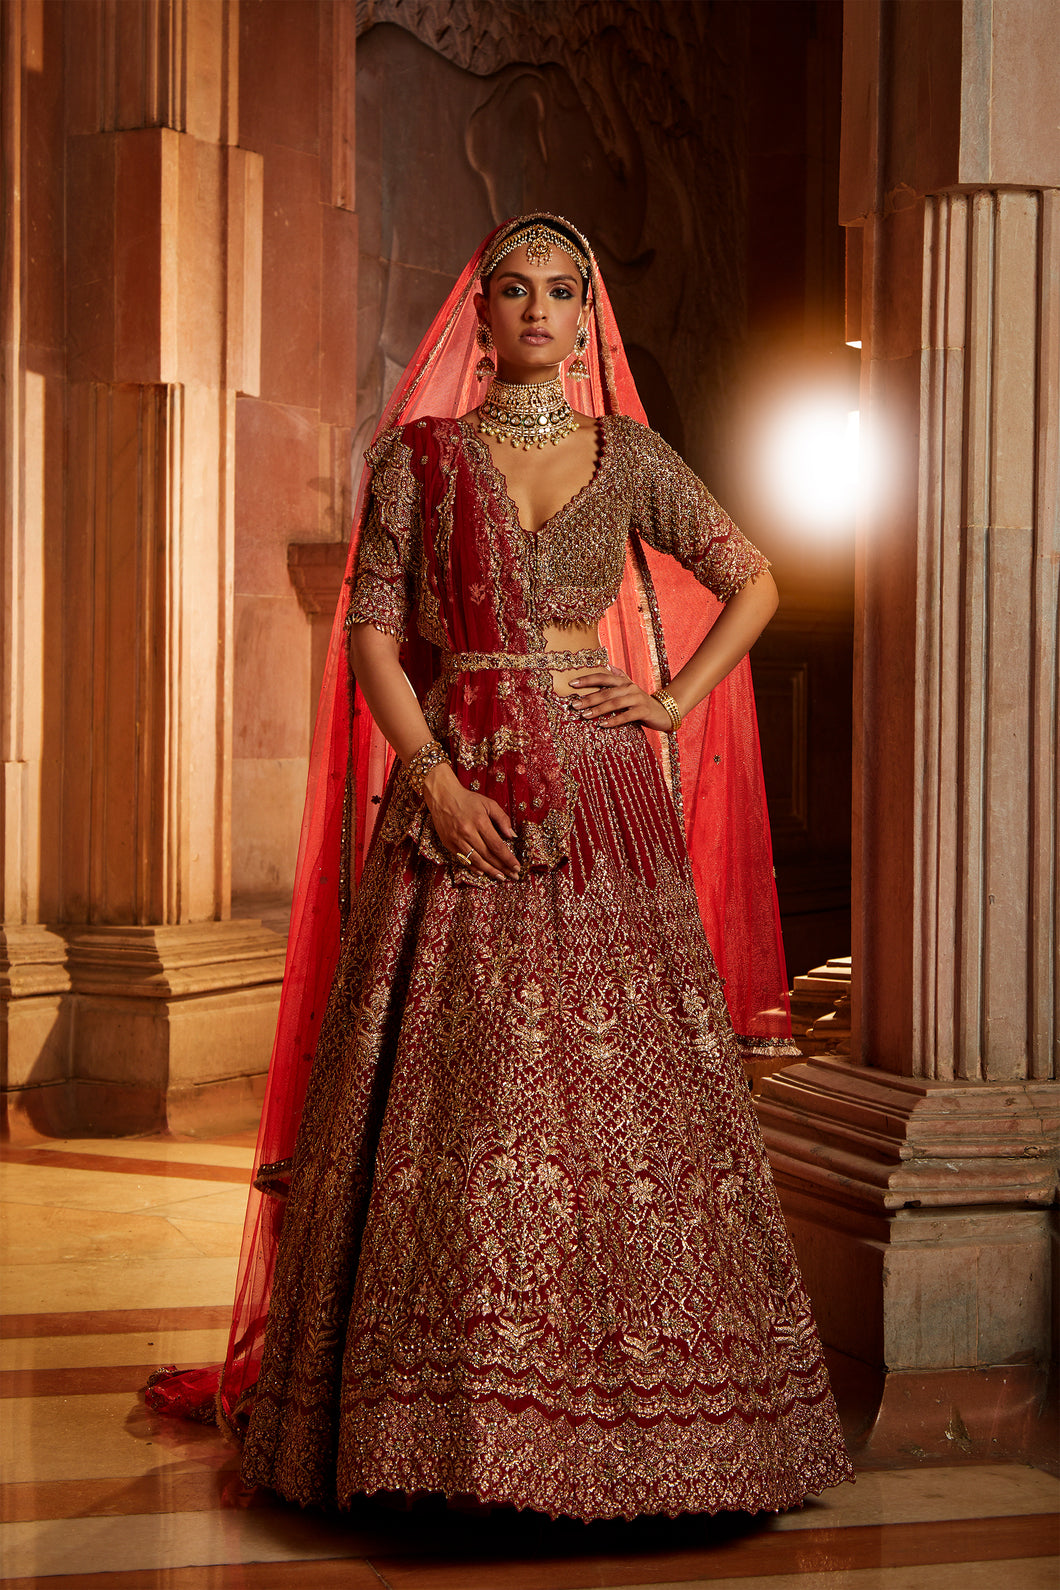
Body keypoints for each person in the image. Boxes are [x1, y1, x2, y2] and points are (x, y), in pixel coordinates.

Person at [147, 213, 853, 1522]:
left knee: (623, 1111)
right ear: (481, 318)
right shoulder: (422, 461)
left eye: (564, 293)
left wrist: (671, 699)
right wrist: (432, 779)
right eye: (516, 291)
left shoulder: (630, 456)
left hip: (598, 796)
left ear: (591, 321)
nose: (539, 310)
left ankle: (644, 1431)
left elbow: (748, 577)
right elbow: (369, 628)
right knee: (464, 1103)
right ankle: (439, 1434)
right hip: (457, 783)